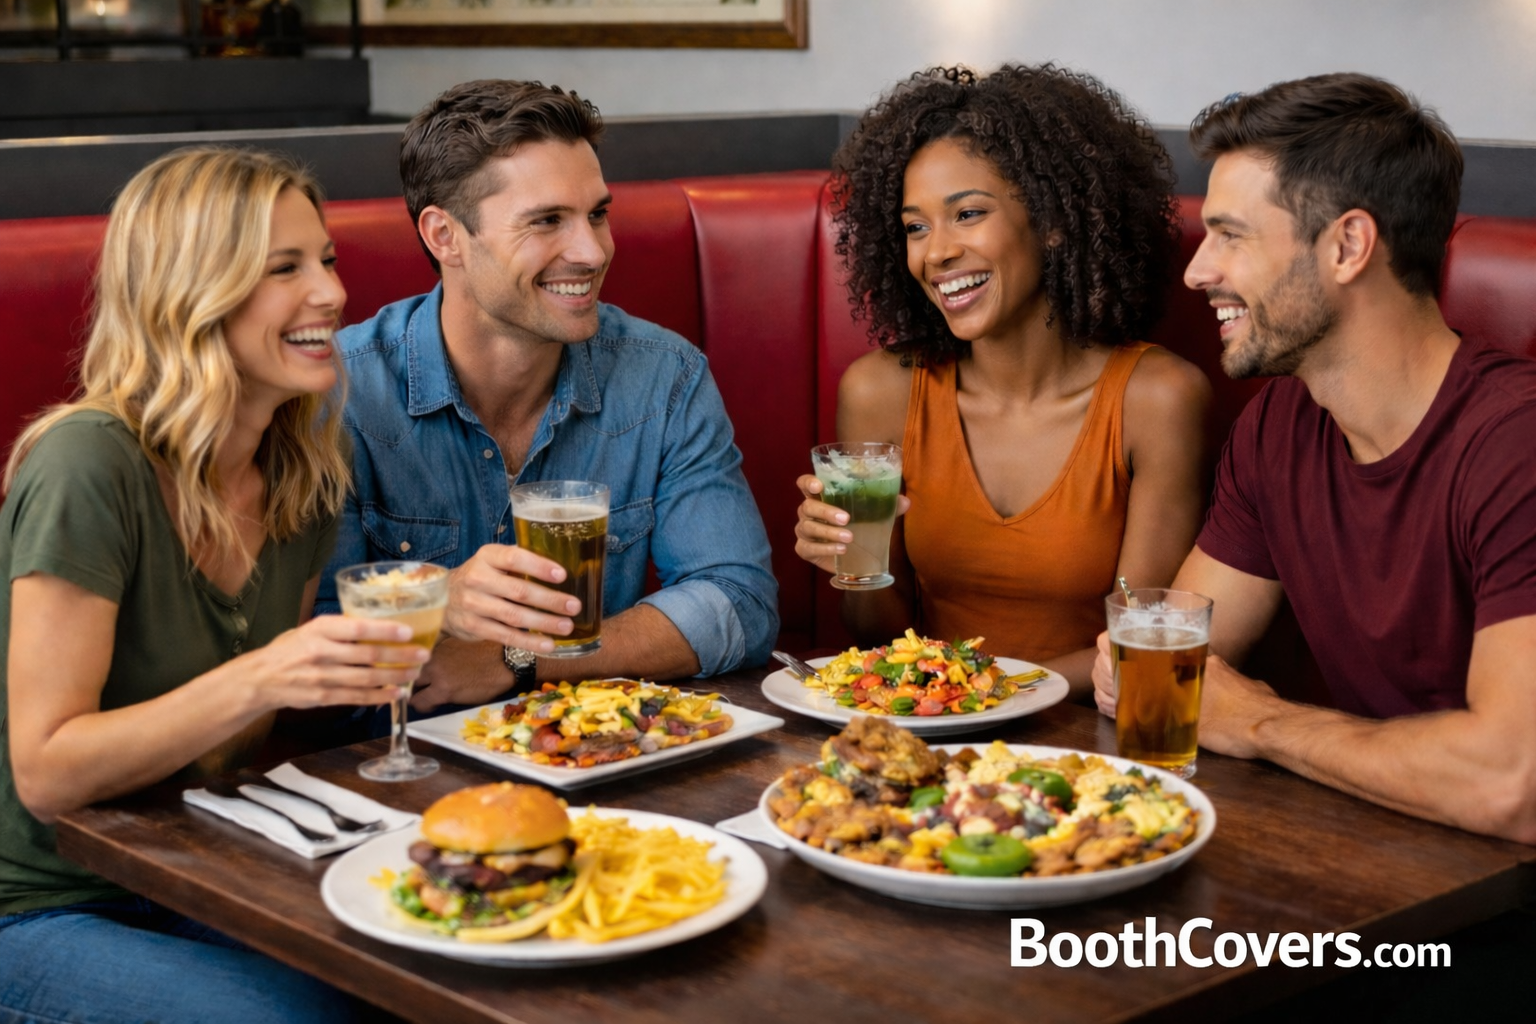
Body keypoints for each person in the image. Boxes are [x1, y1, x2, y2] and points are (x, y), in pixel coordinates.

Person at [0, 148, 420, 1021]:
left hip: (190, 862)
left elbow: (228, 748)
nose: (333, 294)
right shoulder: (88, 462)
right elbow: (44, 772)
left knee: (430, 979)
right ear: (190, 293)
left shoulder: (304, 466)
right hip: (38, 900)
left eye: (327, 259)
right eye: (284, 269)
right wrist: (265, 675)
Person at [1091, 73, 1536, 844]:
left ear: (1347, 246)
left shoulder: (1516, 446)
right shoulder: (1281, 425)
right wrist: (1130, 670)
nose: (1198, 271)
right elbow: (1158, 673)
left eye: (1231, 235)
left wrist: (1259, 723)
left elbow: (1512, 784)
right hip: (1369, 861)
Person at [318, 79, 777, 712]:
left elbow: (738, 600)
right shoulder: (337, 394)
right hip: (394, 783)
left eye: (598, 214)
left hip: (598, 764)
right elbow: (299, 642)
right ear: (444, 235)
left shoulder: (665, 375)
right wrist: (436, 601)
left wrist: (523, 660)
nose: (592, 250)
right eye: (547, 221)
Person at [794, 64, 1211, 694]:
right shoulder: (880, 393)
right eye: (915, 226)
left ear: (1053, 219)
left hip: (1087, 742)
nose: (935, 253)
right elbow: (879, 643)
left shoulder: (1157, 400)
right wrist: (855, 566)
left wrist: (980, 694)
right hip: (931, 733)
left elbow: (1135, 647)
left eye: (967, 214)